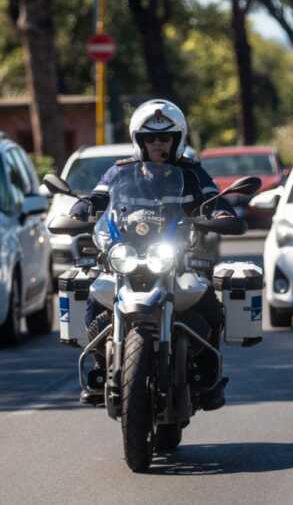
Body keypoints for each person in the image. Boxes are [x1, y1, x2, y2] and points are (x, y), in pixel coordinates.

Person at [70, 99, 235, 409]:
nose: (157, 144)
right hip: (129, 253)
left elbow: (214, 200)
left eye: (164, 138)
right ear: (139, 141)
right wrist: (82, 209)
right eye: (150, 138)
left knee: (208, 299)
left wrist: (223, 214)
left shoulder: (191, 172)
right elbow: (98, 196)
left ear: (177, 140)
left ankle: (209, 374)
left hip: (175, 254)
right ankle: (99, 365)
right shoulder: (120, 172)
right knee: (95, 294)